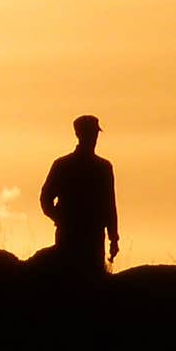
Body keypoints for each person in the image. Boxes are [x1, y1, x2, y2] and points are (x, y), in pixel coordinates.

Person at [40, 114, 119, 274]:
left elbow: (109, 205)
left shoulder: (103, 167)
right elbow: (45, 198)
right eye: (91, 133)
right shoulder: (64, 165)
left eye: (95, 134)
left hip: (92, 236)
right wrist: (61, 219)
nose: (94, 138)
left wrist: (113, 237)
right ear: (79, 134)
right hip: (72, 236)